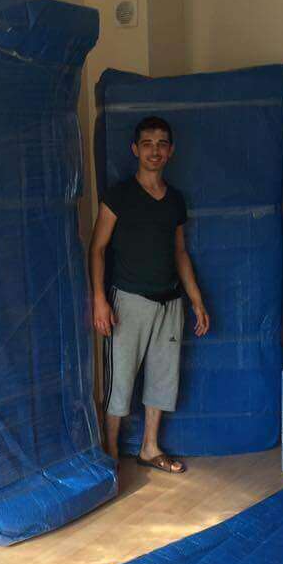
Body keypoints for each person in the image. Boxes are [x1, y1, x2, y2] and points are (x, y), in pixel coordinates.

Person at [88, 116, 210, 473]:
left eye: (161, 144)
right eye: (147, 144)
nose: (154, 151)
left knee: (162, 378)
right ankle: (111, 451)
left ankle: (149, 447)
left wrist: (196, 299)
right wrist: (99, 299)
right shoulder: (119, 195)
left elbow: (179, 252)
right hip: (128, 300)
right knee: (120, 380)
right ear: (135, 150)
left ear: (170, 151)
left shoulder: (175, 200)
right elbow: (97, 248)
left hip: (170, 302)